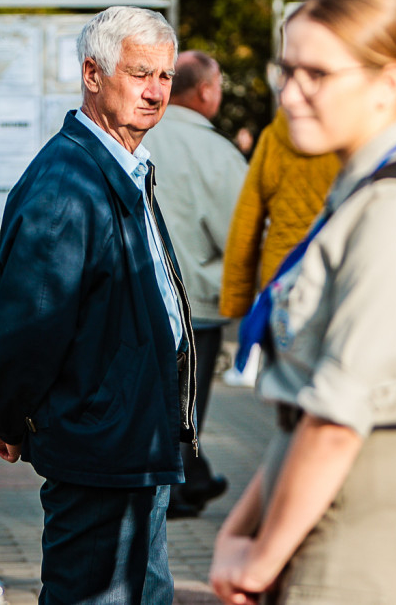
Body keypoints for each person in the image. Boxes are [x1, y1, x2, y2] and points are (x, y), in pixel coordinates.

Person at [208, 0, 396, 605]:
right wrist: (240, 533)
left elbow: (339, 416)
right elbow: (311, 408)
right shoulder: (363, 189)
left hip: (372, 514)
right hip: (324, 493)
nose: (290, 93)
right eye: (286, 70)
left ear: (388, 83)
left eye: (316, 73)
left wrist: (260, 556)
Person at [0, 6, 195, 604]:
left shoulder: (122, 167)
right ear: (93, 74)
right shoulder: (68, 183)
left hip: (137, 443)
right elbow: (30, 328)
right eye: (140, 73)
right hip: (101, 448)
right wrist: (5, 416)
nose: (155, 92)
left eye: (166, 77)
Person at [145, 50, 248, 516]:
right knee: (188, 402)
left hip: (140, 295)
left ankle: (194, 478)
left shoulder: (138, 137)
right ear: (205, 91)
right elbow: (239, 233)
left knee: (157, 394)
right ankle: (178, 488)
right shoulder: (218, 152)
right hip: (197, 300)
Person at [219, 108, 339, 323]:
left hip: (279, 279)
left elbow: (245, 224)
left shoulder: (274, 136)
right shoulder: (360, 136)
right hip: (338, 281)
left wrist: (235, 300)